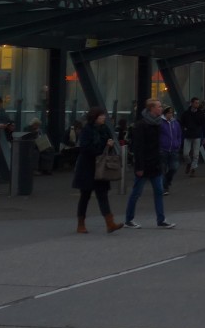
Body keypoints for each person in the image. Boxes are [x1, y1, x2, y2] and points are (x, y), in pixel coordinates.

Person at [72, 106, 123, 234]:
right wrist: (104, 145)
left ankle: (110, 222)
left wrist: (109, 145)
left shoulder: (105, 129)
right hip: (87, 167)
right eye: (101, 116)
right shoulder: (87, 130)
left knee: (102, 195)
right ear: (95, 117)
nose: (104, 118)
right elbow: (85, 148)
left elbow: (108, 144)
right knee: (85, 196)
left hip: (101, 167)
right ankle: (81, 223)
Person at [125, 99, 175, 228]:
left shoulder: (157, 124)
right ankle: (128, 219)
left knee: (158, 191)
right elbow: (139, 147)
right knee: (137, 192)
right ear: (152, 109)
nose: (161, 109)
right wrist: (139, 166)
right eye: (159, 107)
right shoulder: (141, 125)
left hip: (155, 163)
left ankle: (161, 219)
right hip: (145, 164)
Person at [180, 97, 205, 177]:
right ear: (191, 103)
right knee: (185, 154)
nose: (197, 104)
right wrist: (184, 129)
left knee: (196, 154)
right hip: (188, 135)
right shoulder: (186, 114)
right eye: (196, 103)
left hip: (197, 135)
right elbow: (182, 123)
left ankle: (193, 169)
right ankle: (189, 163)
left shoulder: (201, 114)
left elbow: (204, 125)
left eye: (198, 103)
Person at [159, 105, 182, 193]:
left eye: (171, 113)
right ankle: (164, 187)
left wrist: (178, 143)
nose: (170, 115)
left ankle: (167, 181)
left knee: (174, 167)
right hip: (163, 149)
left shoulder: (175, 123)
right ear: (165, 113)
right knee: (162, 169)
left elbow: (179, 134)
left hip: (174, 149)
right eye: (168, 113)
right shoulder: (161, 123)